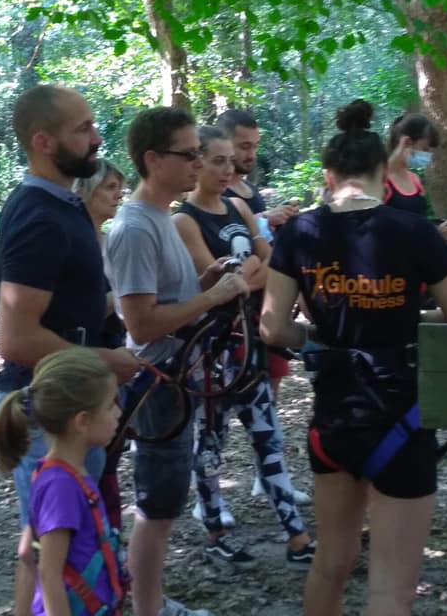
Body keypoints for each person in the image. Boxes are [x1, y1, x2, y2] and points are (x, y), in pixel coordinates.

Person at [260, 128, 447, 616]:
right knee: (392, 590)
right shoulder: (415, 231)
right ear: (383, 174)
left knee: (330, 564)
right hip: (401, 416)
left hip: (333, 417)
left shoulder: (298, 232)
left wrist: (322, 339)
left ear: (328, 176)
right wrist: (405, 320)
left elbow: (272, 327)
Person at [0, 85, 140, 615]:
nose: (97, 138)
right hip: (48, 411)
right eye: (83, 129)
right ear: (43, 141)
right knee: (49, 555)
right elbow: (17, 337)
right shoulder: (38, 217)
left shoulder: (65, 207)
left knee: (63, 545)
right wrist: (108, 363)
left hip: (76, 400)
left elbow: (75, 303)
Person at [105, 106, 249, 616]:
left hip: (175, 377)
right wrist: (212, 298)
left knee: (166, 497)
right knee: (158, 502)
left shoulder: (161, 218)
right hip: (155, 380)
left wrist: (206, 283)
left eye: (197, 155)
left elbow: (167, 299)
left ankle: (148, 601)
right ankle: (147, 608)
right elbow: (141, 323)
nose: (197, 164)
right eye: (187, 155)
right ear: (152, 159)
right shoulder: (136, 229)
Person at [173, 125, 316, 569]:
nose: (226, 169)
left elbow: (270, 263)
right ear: (197, 163)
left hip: (248, 341)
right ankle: (215, 530)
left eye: (230, 161)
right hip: (208, 349)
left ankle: (296, 536)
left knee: (267, 436)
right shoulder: (184, 219)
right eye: (216, 161)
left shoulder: (237, 205)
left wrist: (248, 271)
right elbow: (219, 280)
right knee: (211, 441)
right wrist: (252, 269)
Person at [0, 348, 127, 616]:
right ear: (82, 421)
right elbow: (49, 573)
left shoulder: (57, 473)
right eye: (111, 405)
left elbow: (26, 551)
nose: (119, 413)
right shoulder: (62, 487)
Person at [74, 159, 128, 531]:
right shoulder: (75, 242)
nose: (118, 195)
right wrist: (122, 298)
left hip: (116, 358)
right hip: (85, 362)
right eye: (110, 187)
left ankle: (110, 554)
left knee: (110, 455)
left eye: (119, 187)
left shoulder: (110, 241)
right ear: (85, 190)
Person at [384, 112, 440, 218]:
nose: (428, 155)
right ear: (407, 142)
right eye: (425, 149)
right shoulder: (380, 180)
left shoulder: (415, 179)